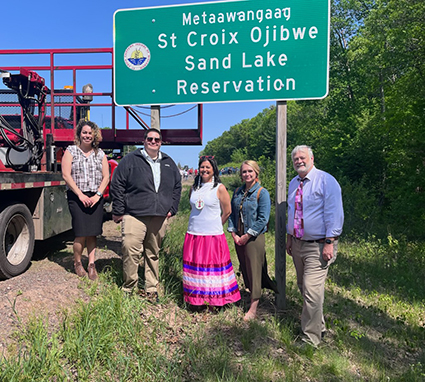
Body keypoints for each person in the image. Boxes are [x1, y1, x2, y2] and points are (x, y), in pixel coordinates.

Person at [110, 128, 181, 300]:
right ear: (144, 140)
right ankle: (129, 289)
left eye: (157, 139)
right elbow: (117, 184)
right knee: (130, 251)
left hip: (159, 216)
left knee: (153, 253)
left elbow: (177, 187)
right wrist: (118, 210)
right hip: (134, 215)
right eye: (150, 139)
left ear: (161, 142)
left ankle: (151, 289)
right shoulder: (130, 160)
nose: (153, 142)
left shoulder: (168, 163)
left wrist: (172, 207)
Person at [286, 145, 344, 346]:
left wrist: (330, 242)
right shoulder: (294, 183)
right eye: (295, 159)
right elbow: (293, 212)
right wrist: (289, 237)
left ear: (312, 158)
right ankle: (319, 327)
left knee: (311, 290)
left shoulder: (326, 181)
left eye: (302, 158)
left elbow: (334, 213)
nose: (299, 161)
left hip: (319, 245)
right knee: (304, 287)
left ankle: (310, 339)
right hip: (298, 242)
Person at [182, 156, 241, 308]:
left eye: (208, 167)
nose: (205, 170)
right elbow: (194, 209)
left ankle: (215, 300)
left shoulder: (219, 188)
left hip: (212, 235)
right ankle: (197, 299)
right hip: (194, 233)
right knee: (197, 268)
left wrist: (215, 224)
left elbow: (227, 211)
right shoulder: (194, 188)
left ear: (214, 169)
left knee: (211, 269)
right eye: (202, 167)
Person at [228, 160, 277, 321]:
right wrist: (233, 233)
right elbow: (232, 214)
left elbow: (263, 218)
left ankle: (254, 306)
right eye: (244, 172)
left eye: (250, 171)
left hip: (254, 237)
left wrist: (247, 235)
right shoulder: (237, 192)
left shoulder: (261, 193)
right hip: (239, 236)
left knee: (255, 269)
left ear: (256, 173)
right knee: (245, 266)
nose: (247, 174)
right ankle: (249, 294)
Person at [62, 119, 109, 281]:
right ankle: (77, 263)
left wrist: (97, 195)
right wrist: (81, 195)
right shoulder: (71, 151)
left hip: (95, 197)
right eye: (84, 133)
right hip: (77, 197)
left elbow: (106, 176)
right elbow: (66, 175)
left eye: (90, 133)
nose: (87, 136)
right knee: (81, 232)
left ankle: (91, 265)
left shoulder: (100, 153)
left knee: (93, 233)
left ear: (94, 135)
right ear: (79, 134)